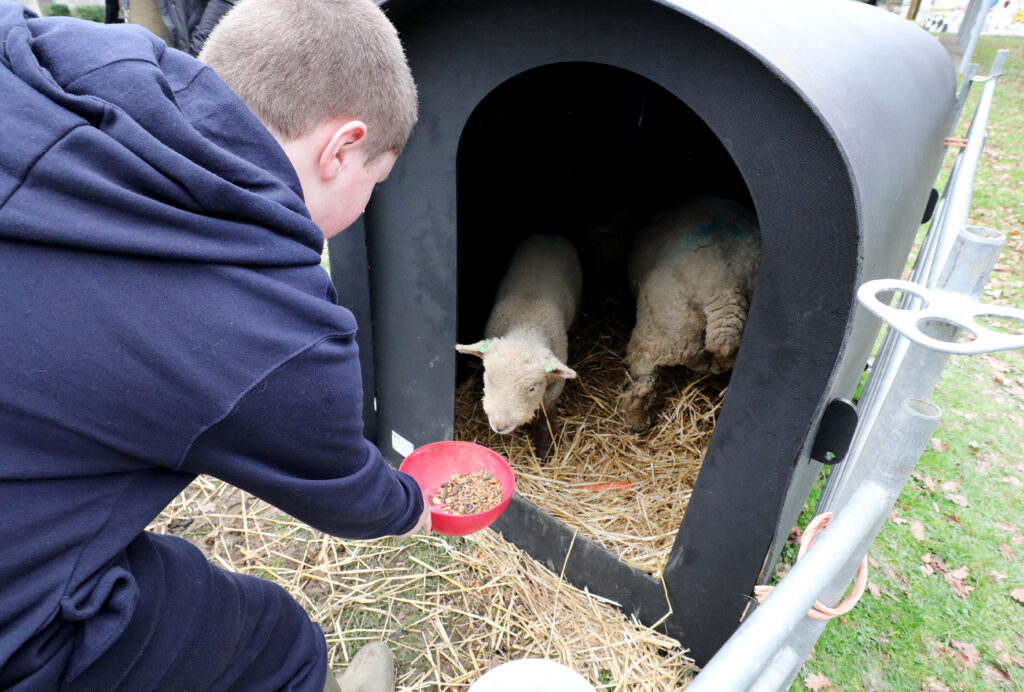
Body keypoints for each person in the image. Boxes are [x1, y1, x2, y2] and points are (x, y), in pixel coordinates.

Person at [0, 0, 430, 690]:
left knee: (167, 577)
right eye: (372, 184)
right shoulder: (273, 329)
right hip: (12, 625)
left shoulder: (42, 56)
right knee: (276, 642)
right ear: (342, 147)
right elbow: (342, 486)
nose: (365, 205)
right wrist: (410, 508)